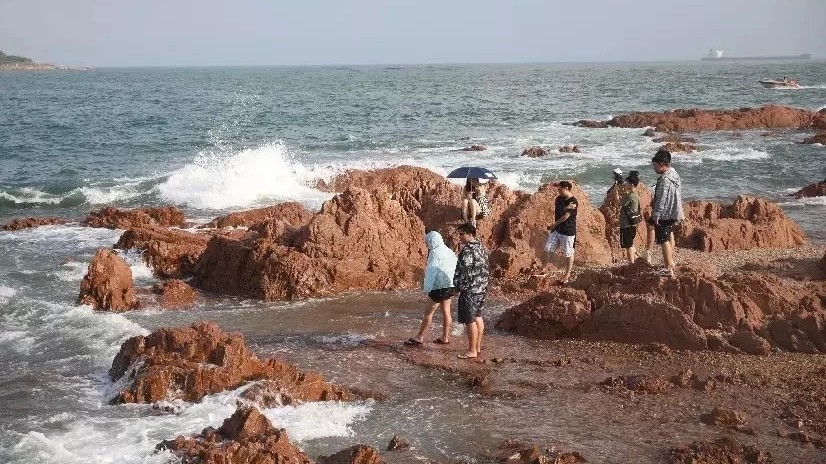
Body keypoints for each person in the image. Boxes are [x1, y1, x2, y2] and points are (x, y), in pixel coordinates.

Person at [405, 231, 457, 346]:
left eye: (428, 242)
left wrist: (427, 288)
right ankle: (445, 337)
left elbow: (431, 272)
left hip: (438, 287)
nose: (427, 244)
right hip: (449, 285)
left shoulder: (435, 253)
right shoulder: (449, 251)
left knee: (428, 313)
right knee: (446, 312)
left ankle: (419, 337)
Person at [453, 222, 489, 359]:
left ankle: (472, 350)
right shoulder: (481, 247)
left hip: (470, 290)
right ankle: (477, 347)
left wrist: (457, 288)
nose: (460, 237)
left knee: (470, 320)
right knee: (478, 316)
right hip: (481, 288)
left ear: (470, 234)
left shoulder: (468, 250)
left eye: (462, 234)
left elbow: (465, 272)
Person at [650, 148, 684, 278]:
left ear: (661, 164)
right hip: (674, 211)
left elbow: (662, 198)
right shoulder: (674, 174)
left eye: (654, 165)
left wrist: (656, 215)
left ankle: (668, 268)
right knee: (670, 235)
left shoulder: (664, 179)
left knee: (663, 239)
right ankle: (671, 261)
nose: (654, 168)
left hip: (665, 213)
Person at [544, 181, 578, 284]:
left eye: (560, 190)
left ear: (567, 188)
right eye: (558, 189)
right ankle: (544, 269)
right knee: (548, 248)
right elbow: (558, 210)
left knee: (568, 253)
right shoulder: (559, 199)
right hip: (557, 229)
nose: (558, 192)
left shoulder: (574, 201)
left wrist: (553, 226)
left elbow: (565, 217)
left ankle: (567, 275)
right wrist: (566, 208)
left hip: (568, 231)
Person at [618, 171, 642, 263]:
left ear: (631, 184)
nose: (625, 184)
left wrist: (616, 193)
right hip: (632, 223)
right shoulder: (635, 194)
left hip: (627, 224)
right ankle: (635, 260)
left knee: (629, 245)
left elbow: (619, 203)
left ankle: (631, 264)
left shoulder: (630, 196)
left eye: (627, 183)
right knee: (630, 243)